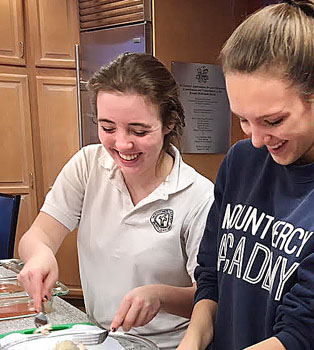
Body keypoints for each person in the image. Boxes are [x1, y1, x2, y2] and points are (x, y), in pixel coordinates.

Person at [177, 1, 314, 349]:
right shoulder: (242, 161)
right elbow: (212, 278)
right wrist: (191, 341)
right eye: (243, 118)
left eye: (273, 121)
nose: (255, 139)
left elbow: (307, 334)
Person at [17, 53, 214, 349]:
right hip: (101, 337)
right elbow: (40, 234)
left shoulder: (198, 195)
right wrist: (39, 255)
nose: (122, 144)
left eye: (139, 131)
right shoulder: (87, 165)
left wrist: (159, 296)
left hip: (168, 345)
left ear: (169, 122)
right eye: (108, 128)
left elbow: (209, 298)